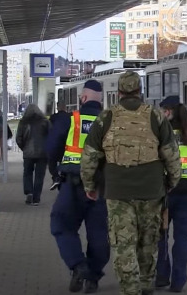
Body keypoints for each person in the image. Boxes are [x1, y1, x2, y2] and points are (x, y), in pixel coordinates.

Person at [81, 71, 181, 295]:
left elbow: (90, 156)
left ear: (118, 93)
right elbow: (171, 155)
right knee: (148, 242)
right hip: (152, 191)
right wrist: (172, 182)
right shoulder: (156, 116)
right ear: (140, 92)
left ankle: (130, 289)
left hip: (118, 193)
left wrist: (89, 186)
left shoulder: (105, 117)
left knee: (123, 244)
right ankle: (146, 285)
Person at [46, 80, 109, 293]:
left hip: (72, 186)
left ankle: (78, 266)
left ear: (83, 98)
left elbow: (52, 148)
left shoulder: (70, 120)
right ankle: (92, 277)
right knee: (100, 237)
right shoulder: (110, 122)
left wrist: (55, 172)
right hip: (102, 189)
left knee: (61, 225)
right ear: (102, 101)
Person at [155, 96, 187, 292]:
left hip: (163, 193)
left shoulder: (160, 134)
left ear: (168, 112)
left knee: (161, 236)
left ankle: (161, 276)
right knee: (183, 237)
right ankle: (178, 281)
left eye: (162, 111)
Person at [15, 104, 50, 205]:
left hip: (28, 153)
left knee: (27, 173)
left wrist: (24, 148)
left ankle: (29, 192)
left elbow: (19, 139)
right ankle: (36, 199)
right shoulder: (45, 122)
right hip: (42, 153)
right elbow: (51, 136)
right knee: (39, 176)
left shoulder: (23, 122)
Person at [47, 101, 70, 187]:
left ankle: (56, 177)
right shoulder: (70, 117)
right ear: (65, 107)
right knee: (63, 161)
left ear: (57, 108)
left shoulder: (53, 118)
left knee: (51, 162)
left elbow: (49, 130)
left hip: (55, 144)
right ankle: (63, 177)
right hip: (66, 145)